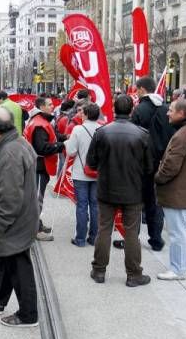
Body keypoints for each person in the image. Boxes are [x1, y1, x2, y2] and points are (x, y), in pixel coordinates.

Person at [0, 107, 39, 327]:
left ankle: (28, 314)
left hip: (14, 222)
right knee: (7, 260)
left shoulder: (10, 152)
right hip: (21, 218)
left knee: (18, 264)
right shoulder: (17, 144)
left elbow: (10, 197)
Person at [86, 95, 152, 287]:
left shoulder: (102, 132)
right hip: (132, 190)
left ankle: (99, 270)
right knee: (131, 232)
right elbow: (149, 167)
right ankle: (133, 274)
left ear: (114, 109)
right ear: (132, 110)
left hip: (107, 189)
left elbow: (91, 162)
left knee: (104, 229)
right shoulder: (142, 134)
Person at [155, 98, 186, 280]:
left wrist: (157, 178)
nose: (168, 113)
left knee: (177, 233)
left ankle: (178, 269)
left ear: (181, 114)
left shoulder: (182, 136)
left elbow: (170, 167)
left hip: (176, 191)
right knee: (183, 230)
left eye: (171, 110)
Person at [130, 76, 166, 251]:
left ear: (142, 89)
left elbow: (132, 137)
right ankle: (156, 239)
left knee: (135, 202)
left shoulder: (139, 110)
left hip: (140, 163)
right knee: (155, 203)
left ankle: (132, 237)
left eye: (137, 89)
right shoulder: (165, 108)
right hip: (159, 162)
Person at [23, 97, 63, 241]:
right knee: (36, 199)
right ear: (41, 106)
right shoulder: (40, 124)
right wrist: (61, 146)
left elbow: (50, 138)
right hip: (39, 167)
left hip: (37, 166)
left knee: (35, 197)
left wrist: (62, 138)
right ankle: (35, 231)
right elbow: (42, 147)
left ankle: (37, 224)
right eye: (49, 104)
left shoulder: (37, 120)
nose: (53, 106)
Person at [65, 103, 101, 247]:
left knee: (81, 205)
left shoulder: (78, 129)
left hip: (80, 173)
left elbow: (71, 152)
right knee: (95, 205)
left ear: (85, 114)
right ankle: (94, 238)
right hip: (98, 173)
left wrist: (67, 143)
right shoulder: (103, 129)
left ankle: (80, 239)